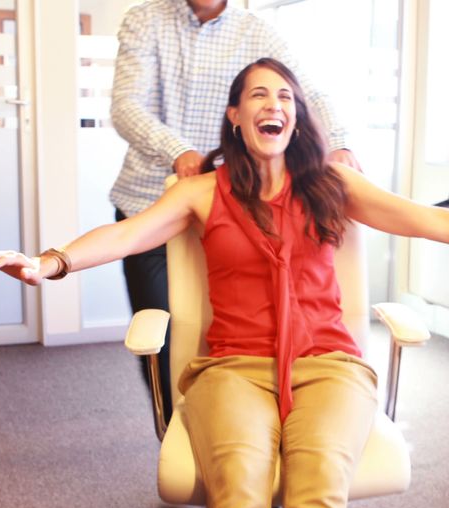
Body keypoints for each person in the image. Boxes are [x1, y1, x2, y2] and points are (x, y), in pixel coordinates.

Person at [0, 58, 449, 508]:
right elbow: (126, 235)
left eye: (284, 96)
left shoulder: (332, 185)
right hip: (232, 369)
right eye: (257, 95)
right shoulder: (201, 192)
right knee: (240, 483)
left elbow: (429, 220)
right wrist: (47, 262)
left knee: (315, 484)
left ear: (298, 117)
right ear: (235, 115)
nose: (272, 105)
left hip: (330, 366)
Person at [109, 0, 360, 424]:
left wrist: (339, 141)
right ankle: (183, 435)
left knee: (236, 332)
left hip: (230, 203)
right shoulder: (145, 19)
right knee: (164, 338)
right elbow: (126, 106)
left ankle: (254, 427)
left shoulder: (254, 29)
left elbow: (307, 92)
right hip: (151, 200)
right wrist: (179, 151)